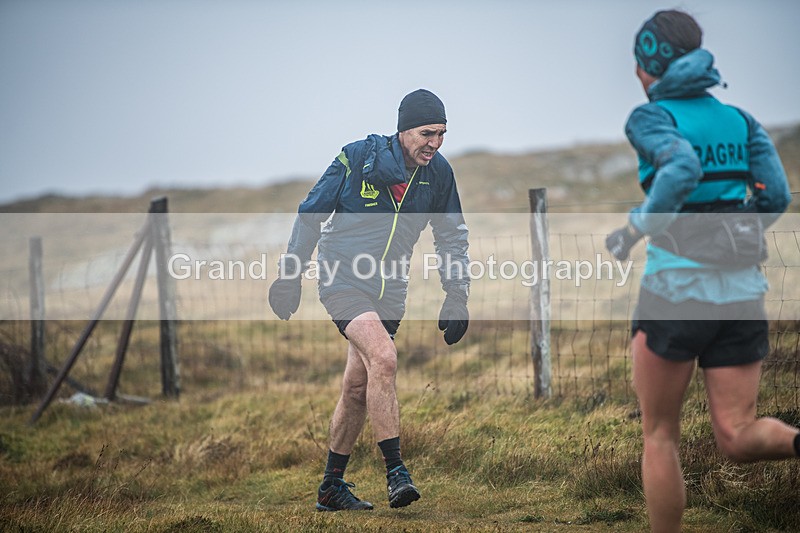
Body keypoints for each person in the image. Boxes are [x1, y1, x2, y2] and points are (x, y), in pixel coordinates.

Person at [605, 9, 797, 532]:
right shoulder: (740, 120)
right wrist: (734, 231)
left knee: (660, 434)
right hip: (742, 295)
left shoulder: (651, 118)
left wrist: (635, 229)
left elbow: (682, 166)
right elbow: (777, 195)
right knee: (737, 436)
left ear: (650, 63)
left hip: (674, 292)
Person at [268, 89, 470, 511]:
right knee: (385, 357)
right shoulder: (357, 158)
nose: (435, 142)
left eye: (443, 134)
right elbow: (312, 212)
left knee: (357, 386)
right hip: (342, 279)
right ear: (403, 131)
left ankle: (330, 487)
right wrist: (291, 275)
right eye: (427, 133)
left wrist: (456, 296)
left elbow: (451, 234)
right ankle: (396, 472)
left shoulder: (439, 175)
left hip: (390, 291)